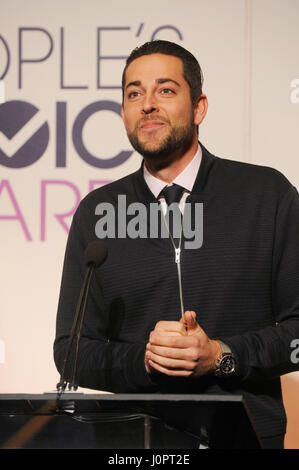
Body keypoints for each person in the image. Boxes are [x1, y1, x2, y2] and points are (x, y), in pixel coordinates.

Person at [54, 40, 299, 449]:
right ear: (124, 114)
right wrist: (146, 360)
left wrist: (221, 354)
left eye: (165, 90)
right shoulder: (97, 213)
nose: (147, 104)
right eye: (134, 93)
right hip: (134, 446)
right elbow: (71, 352)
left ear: (199, 107)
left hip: (244, 439)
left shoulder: (266, 195)